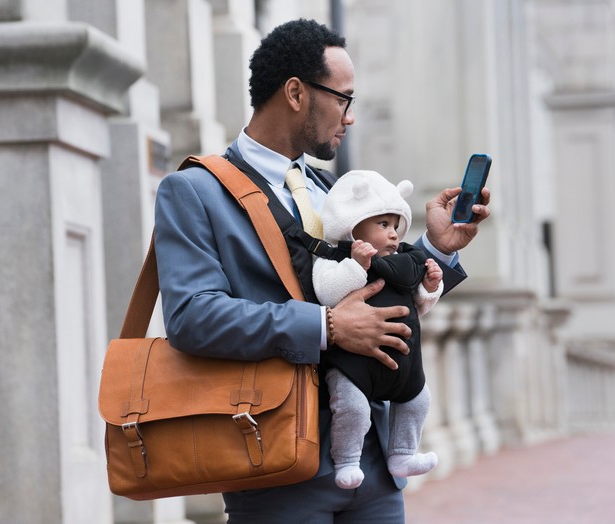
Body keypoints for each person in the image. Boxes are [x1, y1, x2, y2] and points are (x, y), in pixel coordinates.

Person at [154, 18, 491, 523]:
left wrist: (436, 249)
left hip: (374, 464)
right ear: (296, 92)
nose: (350, 117)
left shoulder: (334, 190)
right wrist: (327, 328)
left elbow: (375, 280)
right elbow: (191, 317)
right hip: (273, 465)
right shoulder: (195, 190)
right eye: (344, 98)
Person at [312, 170, 442, 490]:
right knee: (351, 407)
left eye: (395, 226)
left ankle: (402, 453)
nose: (394, 234)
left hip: (402, 365)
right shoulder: (335, 257)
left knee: (418, 401)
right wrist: (356, 267)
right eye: (383, 225)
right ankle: (346, 460)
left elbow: (416, 305)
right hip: (353, 364)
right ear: (352, 224)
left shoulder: (403, 263)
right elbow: (327, 293)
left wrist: (429, 287)